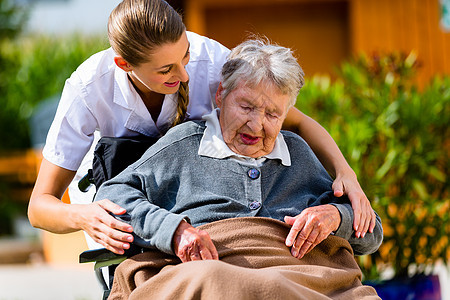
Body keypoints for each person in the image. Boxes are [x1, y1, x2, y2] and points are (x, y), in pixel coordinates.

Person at [28, 0, 375, 256]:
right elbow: (40, 206)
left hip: (198, 196)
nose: (184, 76)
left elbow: (292, 120)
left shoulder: (214, 62)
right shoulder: (90, 89)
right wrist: (83, 216)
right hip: (123, 191)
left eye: (185, 56)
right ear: (124, 64)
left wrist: (346, 174)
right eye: (166, 70)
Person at [94, 38, 383, 299]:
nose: (257, 125)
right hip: (214, 272)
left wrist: (336, 216)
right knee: (215, 279)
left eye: (272, 114)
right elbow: (113, 196)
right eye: (246, 107)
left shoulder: (298, 152)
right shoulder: (185, 144)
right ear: (220, 95)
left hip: (308, 279)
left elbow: (371, 235)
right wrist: (174, 231)